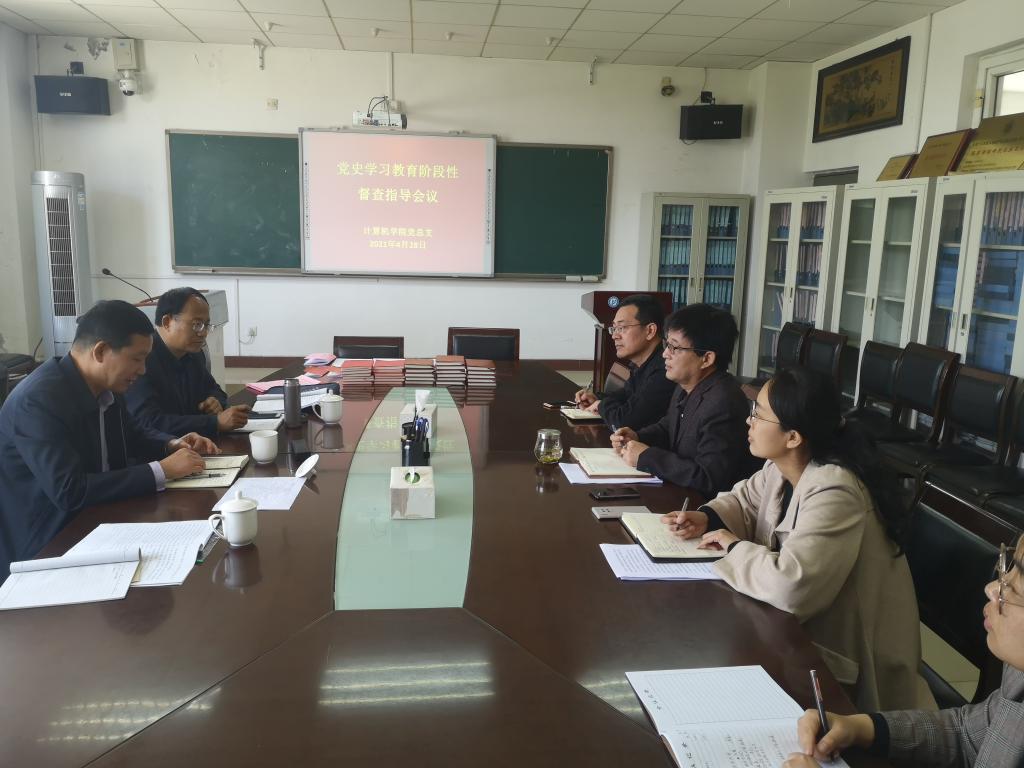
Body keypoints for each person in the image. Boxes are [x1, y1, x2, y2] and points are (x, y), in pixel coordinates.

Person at [665, 366, 933, 712]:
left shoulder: (835, 488)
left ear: (793, 436)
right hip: (796, 639)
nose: (748, 421)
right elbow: (744, 501)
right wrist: (707, 517)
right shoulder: (781, 466)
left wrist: (733, 547)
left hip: (846, 672)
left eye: (758, 414)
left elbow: (793, 587)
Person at [0, 300, 219, 579]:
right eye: (137, 359)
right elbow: (70, 491)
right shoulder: (37, 401)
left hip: (103, 522)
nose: (143, 370)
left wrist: (170, 444)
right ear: (101, 351)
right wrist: (161, 470)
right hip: (46, 546)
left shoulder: (106, 385)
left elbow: (133, 434)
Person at [783, 535, 1024, 768]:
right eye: (1009, 569)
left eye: (1016, 586)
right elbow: (970, 735)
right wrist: (862, 728)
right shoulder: (1018, 674)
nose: (992, 588)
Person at [610, 303, 753, 497]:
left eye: (674, 347)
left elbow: (708, 478)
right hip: (678, 494)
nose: (665, 354)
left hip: (702, 505)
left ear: (706, 359)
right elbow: (668, 427)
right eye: (667, 345)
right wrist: (637, 437)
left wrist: (646, 456)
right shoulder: (686, 385)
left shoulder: (723, 403)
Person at [126, 287, 249, 438]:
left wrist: (215, 401)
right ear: (167, 322)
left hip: (196, 442)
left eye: (206, 325)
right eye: (197, 324)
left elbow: (214, 389)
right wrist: (214, 423)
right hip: (163, 449)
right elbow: (150, 422)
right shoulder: (142, 360)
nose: (203, 332)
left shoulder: (194, 353)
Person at [574, 294, 676, 431]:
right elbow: (626, 396)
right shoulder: (640, 364)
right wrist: (596, 397)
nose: (614, 336)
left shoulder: (665, 370)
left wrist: (601, 405)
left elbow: (624, 421)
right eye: (614, 328)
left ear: (650, 331)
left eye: (622, 328)